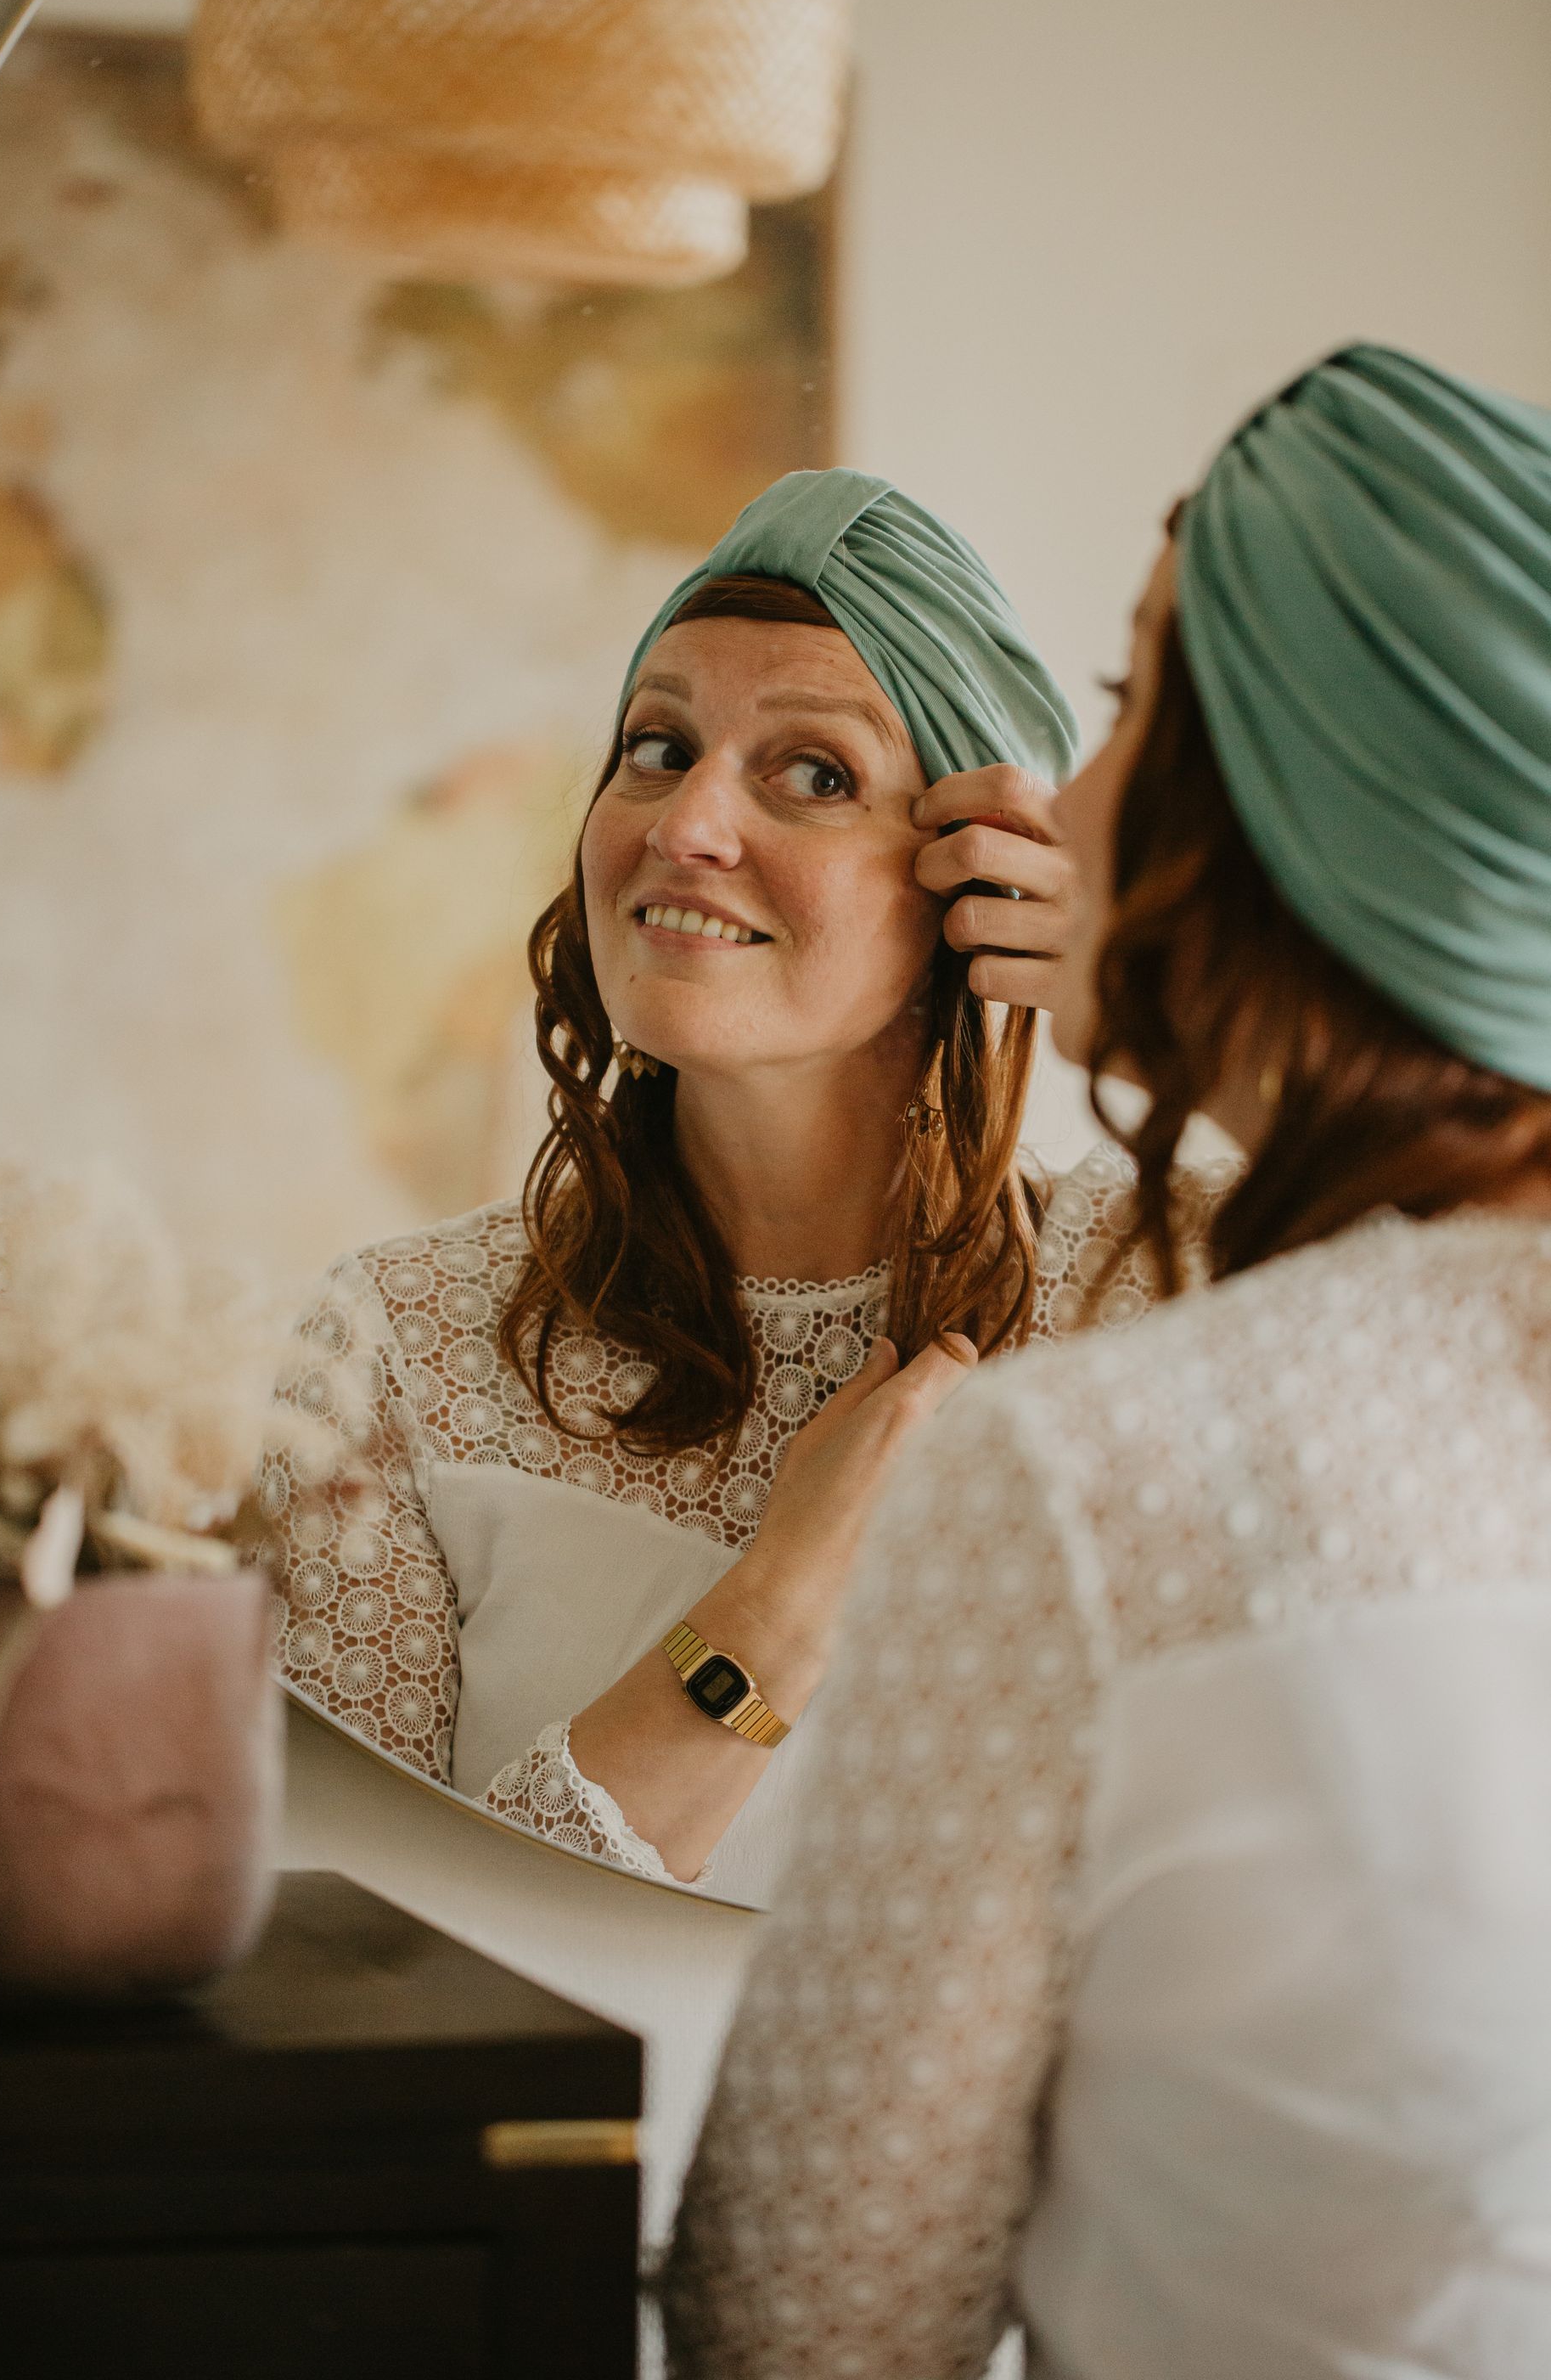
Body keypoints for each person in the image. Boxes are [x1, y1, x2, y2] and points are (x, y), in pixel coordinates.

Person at [664, 344, 1551, 2371]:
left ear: (1302, 799)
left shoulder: (1107, 1462)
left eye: (1136, 699)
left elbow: (799, 2330)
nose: (1051, 805)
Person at [262, 469, 1222, 1904]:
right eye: (656, 747)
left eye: (814, 773)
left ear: (976, 879)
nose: (686, 823)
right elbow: (373, 1965)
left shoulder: (1181, 1286)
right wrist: (775, 1613)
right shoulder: (389, 1349)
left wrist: (1161, 1003)